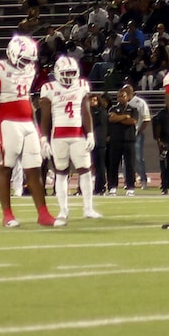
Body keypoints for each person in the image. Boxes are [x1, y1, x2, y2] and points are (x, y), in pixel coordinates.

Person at [0, 31, 54, 228]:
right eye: (24, 59)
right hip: (8, 123)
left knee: (34, 169)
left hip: (27, 123)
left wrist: (40, 134)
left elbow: (27, 101)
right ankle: (7, 214)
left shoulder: (30, 69)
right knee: (5, 168)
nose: (27, 64)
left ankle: (43, 213)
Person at [42, 54, 100, 222]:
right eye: (66, 73)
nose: (69, 77)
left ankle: (88, 208)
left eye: (72, 73)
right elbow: (45, 117)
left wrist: (89, 133)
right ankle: (63, 210)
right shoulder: (49, 88)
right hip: (58, 135)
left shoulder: (82, 85)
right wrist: (43, 139)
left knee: (85, 170)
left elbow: (85, 111)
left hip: (77, 134)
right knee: (61, 172)